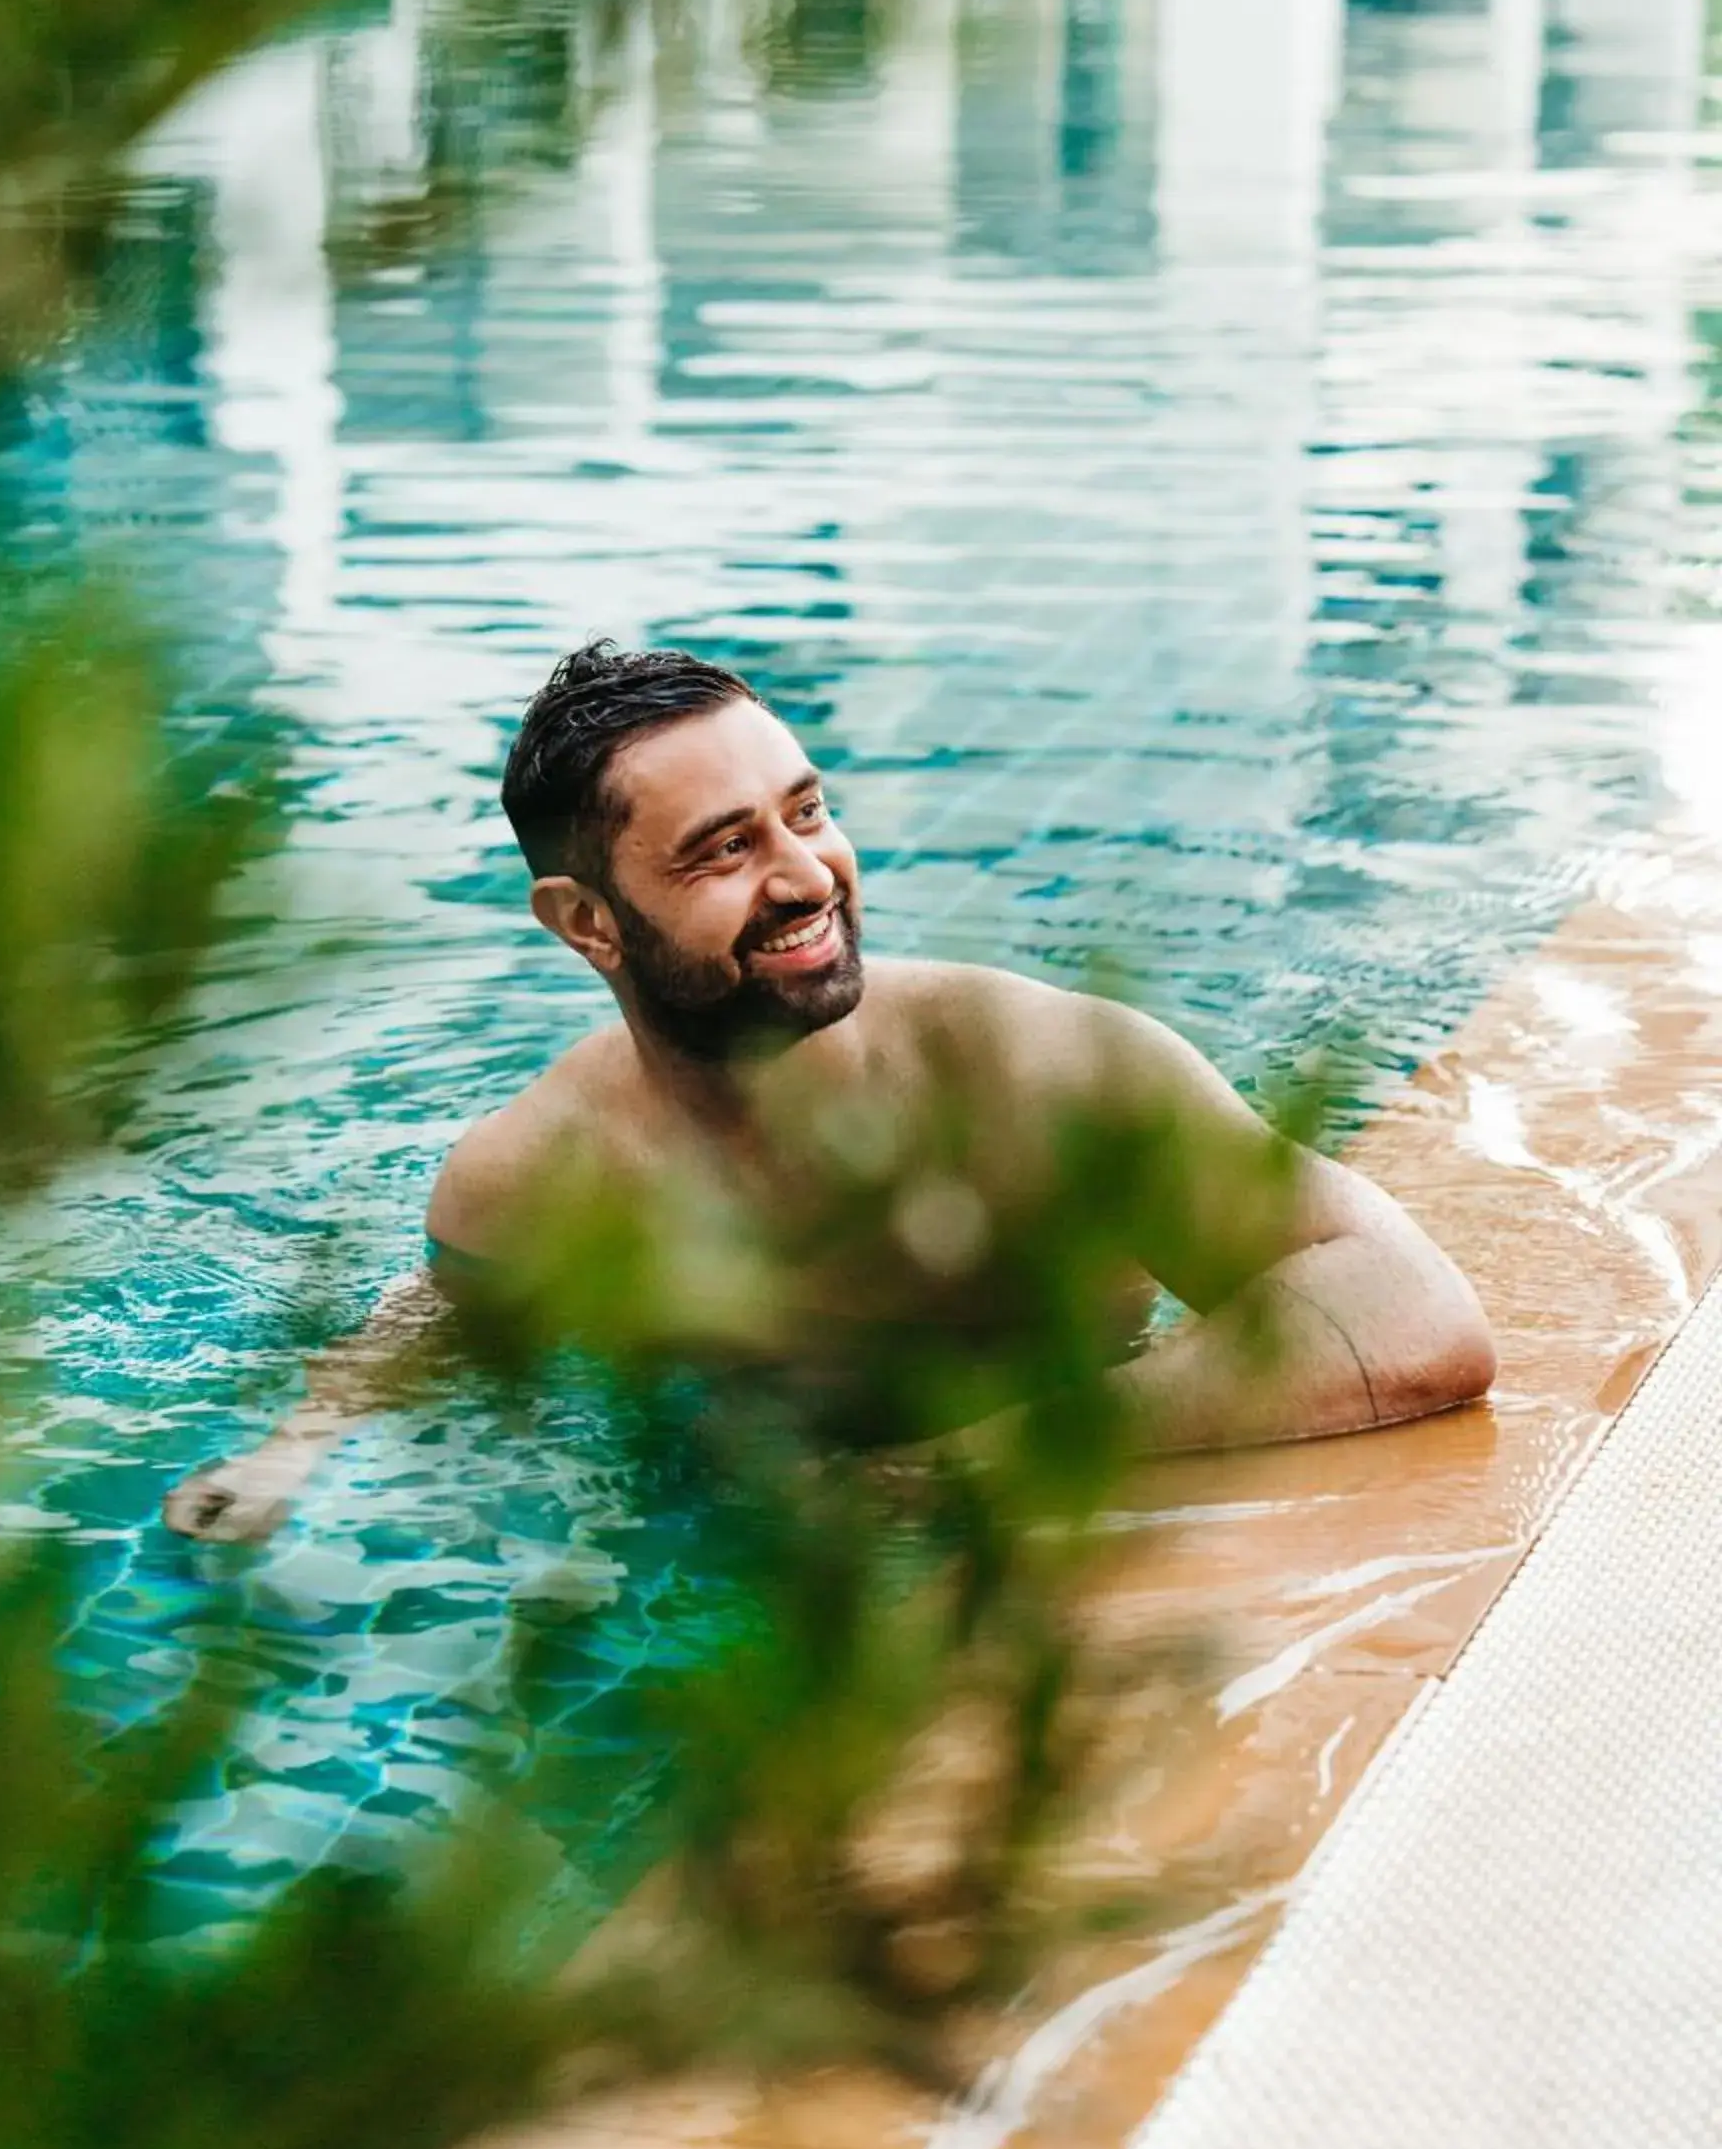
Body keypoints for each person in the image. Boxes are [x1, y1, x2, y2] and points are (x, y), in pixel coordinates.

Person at [166, 643, 1495, 1542]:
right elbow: (453, 1307)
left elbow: (1417, 1315)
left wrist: (940, 1476)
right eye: (722, 853)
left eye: (808, 812)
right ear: (585, 922)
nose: (806, 876)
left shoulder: (1041, 1078)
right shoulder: (536, 1171)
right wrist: (296, 1447)